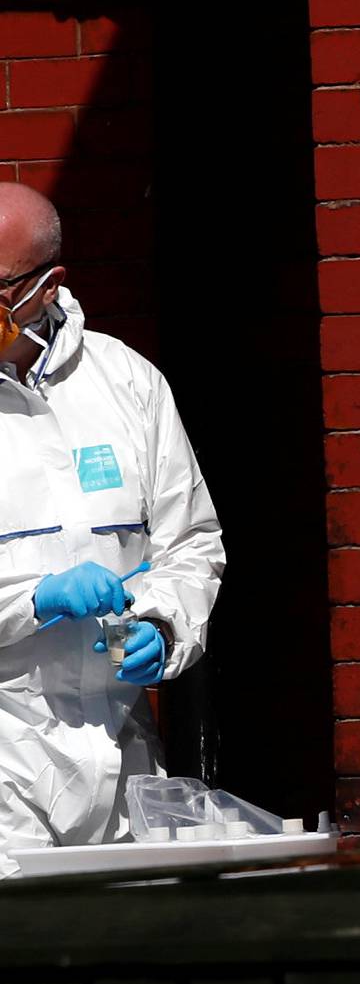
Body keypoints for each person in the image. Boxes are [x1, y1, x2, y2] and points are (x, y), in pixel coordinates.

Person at [0, 184, 223, 847]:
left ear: (48, 285)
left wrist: (163, 621)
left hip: (121, 750)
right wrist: (34, 598)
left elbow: (192, 544)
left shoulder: (127, 383)